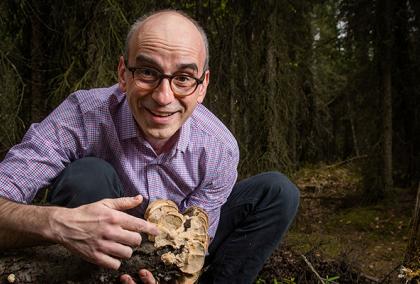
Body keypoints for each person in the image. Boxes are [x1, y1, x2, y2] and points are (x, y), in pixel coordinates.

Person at [0, 9, 299, 284]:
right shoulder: (82, 116)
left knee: (278, 191)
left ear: (202, 85)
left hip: (167, 247)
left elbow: (198, 240)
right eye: (147, 72)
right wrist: (58, 223)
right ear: (123, 74)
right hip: (90, 249)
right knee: (89, 175)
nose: (163, 96)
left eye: (183, 78)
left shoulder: (218, 148)